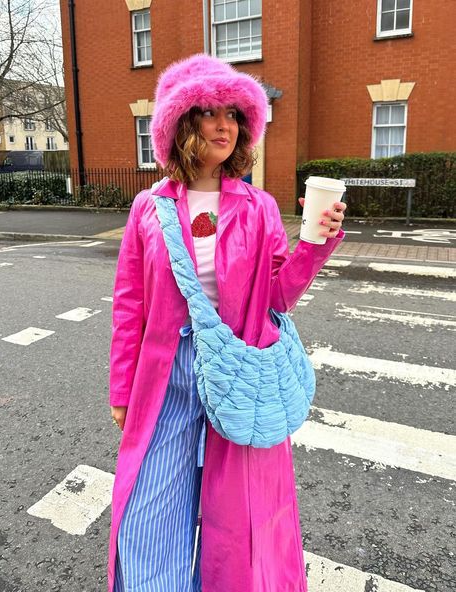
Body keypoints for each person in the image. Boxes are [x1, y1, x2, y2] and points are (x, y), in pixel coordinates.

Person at [108, 53, 346, 592]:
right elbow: (129, 305)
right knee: (150, 512)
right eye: (211, 112)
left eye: (234, 115)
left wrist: (316, 241)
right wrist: (122, 390)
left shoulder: (258, 206)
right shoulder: (148, 209)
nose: (225, 126)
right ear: (182, 124)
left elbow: (278, 295)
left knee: (240, 525)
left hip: (238, 370)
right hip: (166, 377)